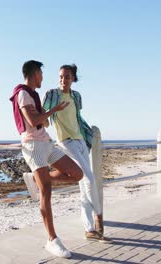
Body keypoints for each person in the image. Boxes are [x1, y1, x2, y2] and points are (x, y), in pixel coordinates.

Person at [9, 60, 83, 258]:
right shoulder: (23, 93)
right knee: (46, 192)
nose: (42, 77)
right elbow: (33, 121)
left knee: (77, 174)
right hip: (33, 146)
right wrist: (53, 111)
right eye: (41, 73)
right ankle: (52, 240)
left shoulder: (32, 95)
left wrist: (46, 115)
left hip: (47, 143)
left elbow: (43, 122)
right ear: (34, 74)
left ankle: (36, 179)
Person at [43, 64, 111, 243]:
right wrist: (50, 116)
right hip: (65, 142)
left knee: (84, 186)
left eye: (67, 77)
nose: (63, 80)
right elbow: (44, 119)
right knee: (89, 177)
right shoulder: (52, 95)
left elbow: (77, 118)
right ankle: (99, 217)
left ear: (73, 78)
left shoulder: (76, 96)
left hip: (80, 140)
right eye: (60, 76)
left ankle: (89, 229)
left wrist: (85, 135)